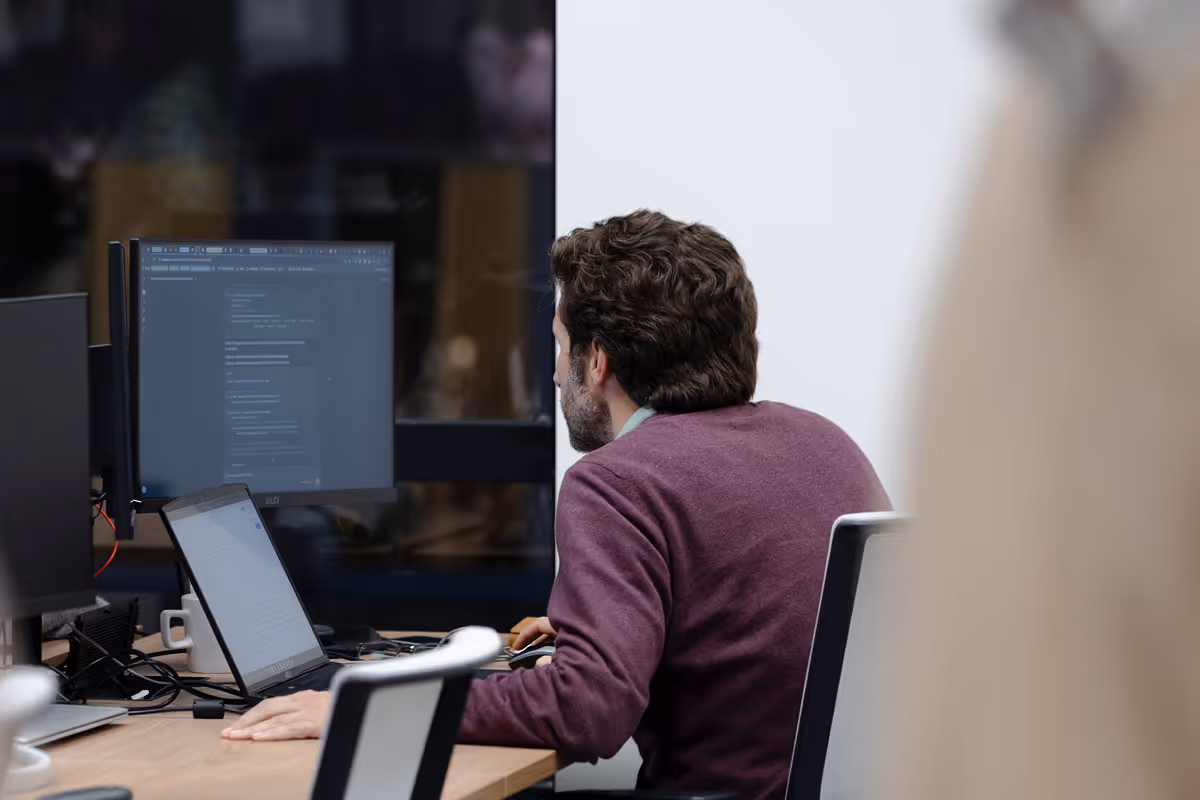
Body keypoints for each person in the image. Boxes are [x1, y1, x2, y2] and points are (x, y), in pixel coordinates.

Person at [222, 210, 889, 800]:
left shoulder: (619, 480)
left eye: (561, 347)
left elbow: (587, 711)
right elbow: (753, 625)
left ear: (597, 362)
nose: (552, 373)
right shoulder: (827, 443)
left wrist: (363, 706)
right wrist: (607, 631)